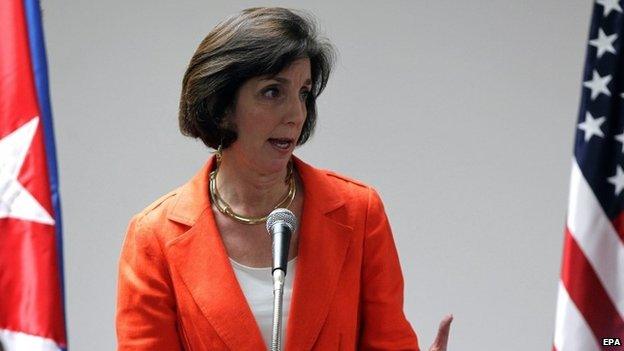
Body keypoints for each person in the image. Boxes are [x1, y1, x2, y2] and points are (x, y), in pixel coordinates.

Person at [116, 7, 452, 351]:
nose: (296, 114)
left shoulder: (358, 213)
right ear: (222, 105)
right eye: (273, 92)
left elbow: (388, 343)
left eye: (303, 93)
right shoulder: (154, 237)